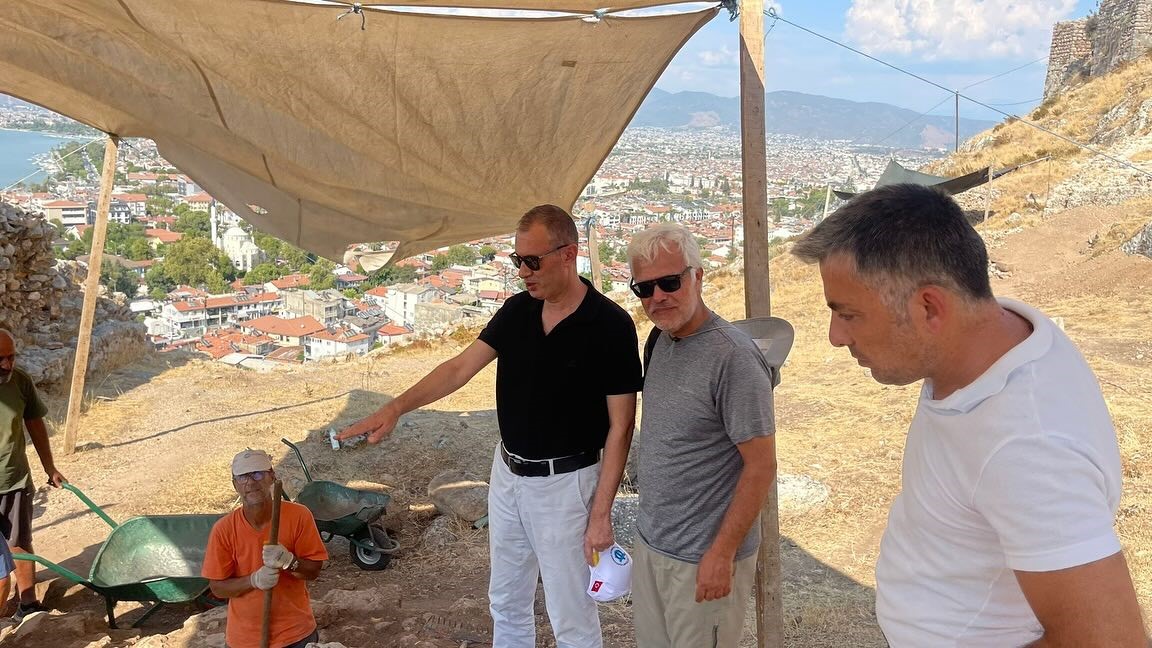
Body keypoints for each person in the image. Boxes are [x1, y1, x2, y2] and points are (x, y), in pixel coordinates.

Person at [790, 183, 1148, 646]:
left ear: (929, 307)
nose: (836, 337)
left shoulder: (1029, 447)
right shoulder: (989, 340)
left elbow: (1112, 641)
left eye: (848, 314)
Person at [339, 204, 642, 648]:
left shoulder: (610, 325)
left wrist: (600, 514)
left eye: (532, 261)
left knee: (571, 616)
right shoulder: (518, 310)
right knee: (506, 601)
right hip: (508, 475)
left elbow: (622, 427)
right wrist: (397, 408)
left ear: (568, 254)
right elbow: (459, 368)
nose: (523, 272)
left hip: (567, 485)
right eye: (518, 260)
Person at [626, 224, 778, 648]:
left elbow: (761, 466)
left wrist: (721, 554)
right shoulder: (659, 340)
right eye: (645, 288)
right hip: (654, 545)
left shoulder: (733, 358)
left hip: (702, 558)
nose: (658, 297)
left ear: (697, 276)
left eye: (670, 282)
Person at [202, 449, 328, 648]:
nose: (251, 482)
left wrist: (289, 562)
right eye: (243, 477)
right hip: (245, 639)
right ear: (235, 485)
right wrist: (254, 580)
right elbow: (218, 587)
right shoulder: (224, 529)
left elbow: (313, 571)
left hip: (296, 634)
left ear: (272, 476)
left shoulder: (298, 516)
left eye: (257, 473)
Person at [0, 328, 66, 620]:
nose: (6, 365)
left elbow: (35, 424)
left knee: (20, 542)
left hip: (13, 479)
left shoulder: (20, 381)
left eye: (11, 357)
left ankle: (28, 604)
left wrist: (49, 467)